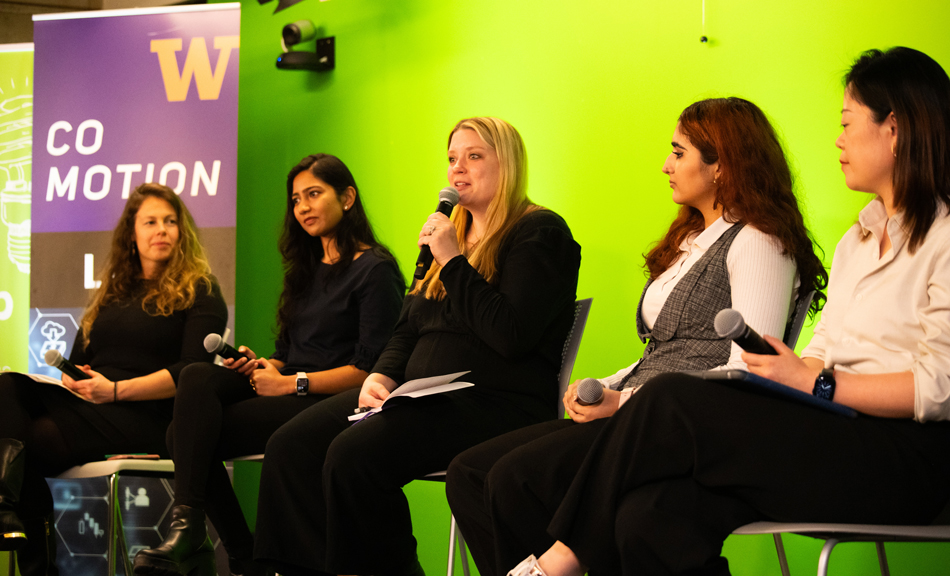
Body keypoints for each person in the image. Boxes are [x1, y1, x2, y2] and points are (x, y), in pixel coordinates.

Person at [508, 46, 950, 576]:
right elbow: (821, 355)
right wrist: (792, 375)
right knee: (648, 515)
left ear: (894, 128)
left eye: (847, 122)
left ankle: (558, 563)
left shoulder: (944, 237)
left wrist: (818, 385)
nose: (838, 138)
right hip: (831, 434)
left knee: (671, 397)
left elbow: (938, 387)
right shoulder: (858, 240)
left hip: (906, 459)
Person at [446, 97, 829, 576]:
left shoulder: (757, 241)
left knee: (513, 479)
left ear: (722, 166)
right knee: (470, 472)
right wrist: (609, 385)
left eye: (679, 152)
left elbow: (747, 372)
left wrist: (626, 403)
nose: (665, 165)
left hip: (683, 429)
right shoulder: (692, 239)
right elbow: (664, 350)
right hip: (639, 408)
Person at [252, 117, 582, 576]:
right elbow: (407, 326)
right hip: (420, 393)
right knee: (293, 445)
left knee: (353, 457)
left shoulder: (539, 231)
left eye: (473, 156)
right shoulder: (450, 233)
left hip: (494, 401)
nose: (457, 169)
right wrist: (380, 376)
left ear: (506, 163)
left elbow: (511, 333)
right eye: (451, 159)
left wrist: (452, 261)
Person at [132, 154, 405, 576]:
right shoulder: (306, 270)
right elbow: (286, 352)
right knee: (197, 377)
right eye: (296, 199)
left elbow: (371, 371)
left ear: (347, 197)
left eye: (314, 194)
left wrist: (291, 382)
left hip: (333, 399)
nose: (303, 208)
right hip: (289, 388)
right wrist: (261, 365)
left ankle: (238, 553)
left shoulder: (375, 270)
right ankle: (204, 534)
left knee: (181, 434)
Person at [0, 183, 227, 576]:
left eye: (171, 222)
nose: (162, 230)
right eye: (151, 221)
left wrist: (116, 390)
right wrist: (75, 379)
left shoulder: (201, 290)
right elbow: (81, 360)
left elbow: (193, 374)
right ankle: (4, 510)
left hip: (155, 416)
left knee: (32, 445)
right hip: (96, 405)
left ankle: (25, 546)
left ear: (182, 231)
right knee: (6, 387)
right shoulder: (112, 293)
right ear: (132, 234)